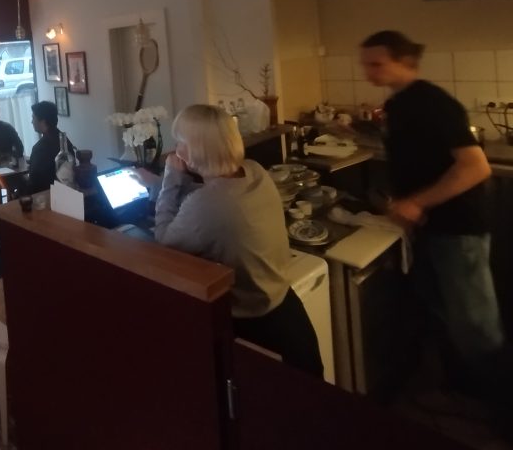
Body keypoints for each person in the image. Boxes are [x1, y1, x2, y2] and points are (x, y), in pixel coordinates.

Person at [359, 30, 505, 399]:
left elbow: (476, 167)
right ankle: (464, 390)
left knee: (476, 323)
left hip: (459, 230)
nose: (368, 72)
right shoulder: (397, 105)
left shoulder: (434, 103)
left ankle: (502, 405)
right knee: (442, 310)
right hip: (430, 229)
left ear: (405, 62)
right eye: (366, 65)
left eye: (376, 64)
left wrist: (416, 203)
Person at [155, 104, 323, 378]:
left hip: (255, 328)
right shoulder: (255, 171)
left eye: (179, 141)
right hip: (288, 312)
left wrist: (169, 180)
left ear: (195, 149)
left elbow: (164, 239)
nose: (176, 149)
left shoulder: (207, 203)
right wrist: (162, 185)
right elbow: (215, 195)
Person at [27, 101, 74, 194]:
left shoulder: (39, 148)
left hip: (47, 194)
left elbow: (34, 180)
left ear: (43, 121)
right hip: (68, 190)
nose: (31, 122)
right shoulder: (65, 140)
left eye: (33, 118)